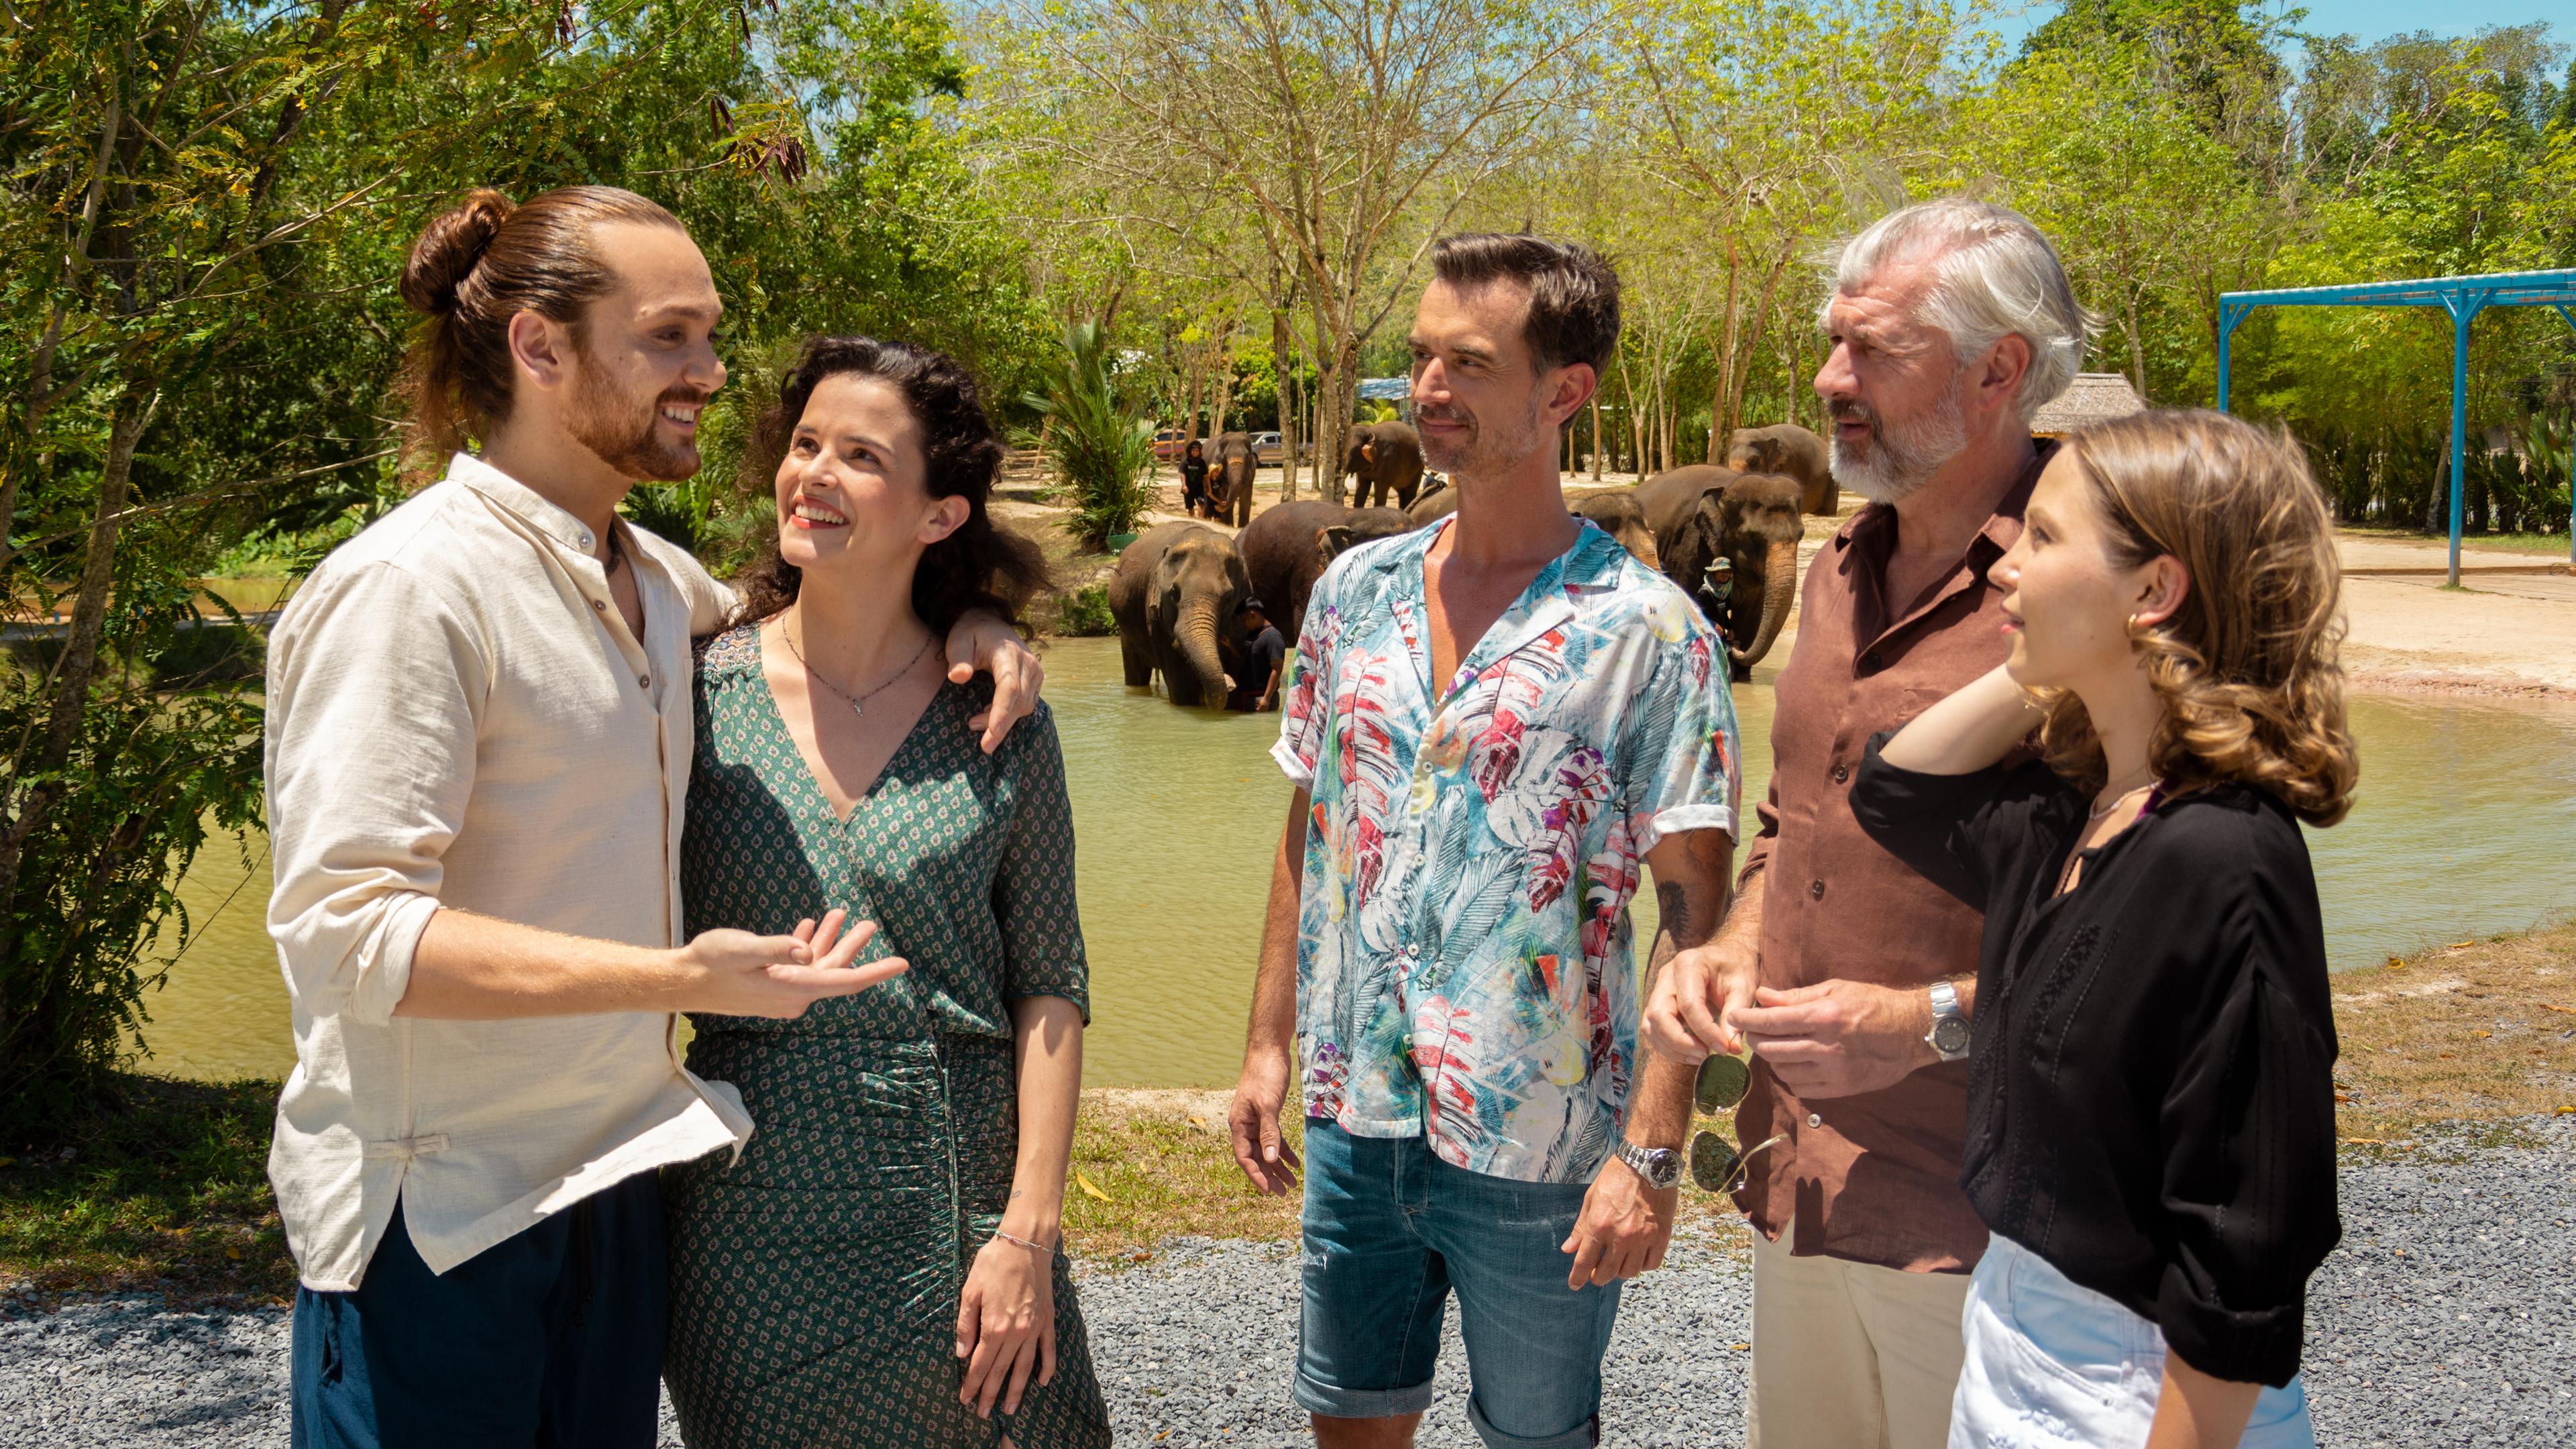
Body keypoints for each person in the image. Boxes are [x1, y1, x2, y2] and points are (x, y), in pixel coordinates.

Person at [264, 186, 1041, 1448]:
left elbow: (822, 616)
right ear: (539, 347)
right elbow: (346, 936)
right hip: (441, 1217)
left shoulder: (649, 581)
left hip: (614, 1187)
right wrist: (677, 977)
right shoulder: (413, 590)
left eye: (711, 338)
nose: (713, 374)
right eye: (670, 338)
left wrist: (973, 612)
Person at [1228, 234, 1743, 1449]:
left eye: (1468, 361)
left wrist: (1655, 1149)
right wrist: (1263, 1048)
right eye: (1420, 357)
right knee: (1350, 1424)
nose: (1428, 389)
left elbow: (1696, 917)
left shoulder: (1648, 634)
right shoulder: (1355, 596)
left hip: (1551, 1140)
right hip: (1357, 1115)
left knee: (1539, 1439)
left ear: (1564, 392)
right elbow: (1314, 831)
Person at [1642, 197, 2096, 1449]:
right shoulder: (1842, 569)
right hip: (1805, 1178)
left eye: (1873, 349)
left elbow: (2157, 926)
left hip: (2004, 1222)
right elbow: (1794, 829)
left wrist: (1927, 1024)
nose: (1831, 379)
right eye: (1831, 341)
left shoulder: (2097, 587)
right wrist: (1729, 948)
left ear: (1998, 368)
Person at [1849, 409, 2349, 1447]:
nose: (2002, 571)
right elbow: (1894, 791)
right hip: (2010, 1343)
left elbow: (2244, 1264)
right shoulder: (2074, 811)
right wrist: (2046, 662)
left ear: (2155, 591)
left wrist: (2065, 653)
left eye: (2043, 538)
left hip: (2139, 1395)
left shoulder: (2224, 863)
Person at [661, 335, 1111, 1448]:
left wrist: (1027, 1237)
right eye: (805, 443)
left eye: (861, 456)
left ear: (940, 515)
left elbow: (1050, 988)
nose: (813, 473)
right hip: (749, 1216)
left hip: (962, 1202)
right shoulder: (689, 692)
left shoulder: (998, 717)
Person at [1232, 597, 1287, 711]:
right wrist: (1230, 646)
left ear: (1252, 615)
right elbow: (1245, 659)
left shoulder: (1273, 637)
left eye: (1244, 620)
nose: (1243, 624)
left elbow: (1277, 669)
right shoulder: (1253, 634)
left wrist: (1266, 699)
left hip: (1261, 699)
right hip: (1247, 697)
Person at [1181, 437, 1212, 518]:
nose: (1195, 452)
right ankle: (1192, 520)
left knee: (1201, 503)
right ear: (1190, 451)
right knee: (1190, 507)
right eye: (1194, 451)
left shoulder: (1202, 463)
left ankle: (1200, 520)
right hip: (1188, 488)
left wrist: (1209, 488)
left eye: (1197, 451)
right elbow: (1182, 474)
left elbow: (1206, 476)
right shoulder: (1185, 462)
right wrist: (1184, 485)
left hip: (1199, 487)